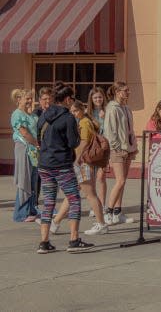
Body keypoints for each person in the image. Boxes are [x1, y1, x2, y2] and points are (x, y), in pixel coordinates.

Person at [36, 82, 94, 253]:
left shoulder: (44, 115)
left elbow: (39, 138)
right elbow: (73, 142)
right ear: (68, 99)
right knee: (74, 199)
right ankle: (74, 240)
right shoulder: (68, 118)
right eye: (72, 98)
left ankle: (44, 242)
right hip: (61, 164)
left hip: (44, 164)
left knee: (48, 202)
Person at [50, 100, 109, 236]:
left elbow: (83, 143)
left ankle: (101, 224)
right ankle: (56, 222)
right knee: (72, 193)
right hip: (83, 163)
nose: (73, 114)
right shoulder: (84, 122)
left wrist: (75, 161)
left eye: (75, 111)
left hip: (82, 163)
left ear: (82, 110)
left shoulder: (83, 123)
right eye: (71, 111)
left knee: (90, 194)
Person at [103, 81, 137, 225]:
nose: (128, 93)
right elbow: (110, 131)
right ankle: (108, 212)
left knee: (123, 182)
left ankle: (118, 212)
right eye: (125, 90)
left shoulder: (127, 108)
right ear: (117, 92)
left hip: (128, 148)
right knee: (120, 180)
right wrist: (117, 148)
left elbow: (130, 129)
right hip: (118, 150)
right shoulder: (112, 108)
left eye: (128, 90)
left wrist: (133, 146)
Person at [11, 89, 39, 222]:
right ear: (18, 100)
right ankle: (20, 214)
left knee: (32, 180)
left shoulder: (30, 114)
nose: (30, 101)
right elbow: (24, 133)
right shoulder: (17, 114)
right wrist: (37, 144)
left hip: (32, 150)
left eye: (30, 98)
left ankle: (31, 210)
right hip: (24, 148)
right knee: (24, 180)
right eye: (27, 99)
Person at [87, 87, 109, 217]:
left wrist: (105, 118)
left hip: (104, 147)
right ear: (91, 99)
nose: (98, 100)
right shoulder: (88, 113)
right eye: (95, 98)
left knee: (101, 177)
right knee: (92, 178)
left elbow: (111, 129)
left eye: (100, 97)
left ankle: (103, 204)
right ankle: (94, 206)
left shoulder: (107, 111)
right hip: (91, 148)